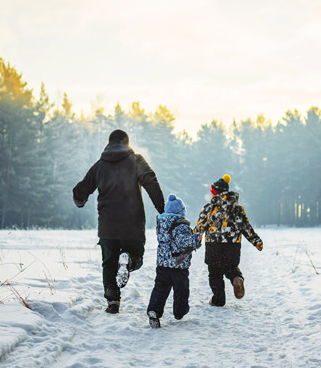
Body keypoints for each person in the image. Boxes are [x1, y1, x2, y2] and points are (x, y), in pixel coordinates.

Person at [73, 129, 165, 314]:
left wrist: (80, 201)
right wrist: (163, 210)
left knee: (109, 262)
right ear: (127, 143)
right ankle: (129, 261)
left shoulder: (99, 166)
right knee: (136, 258)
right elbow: (151, 182)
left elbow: (80, 190)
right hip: (132, 225)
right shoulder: (136, 160)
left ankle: (113, 301)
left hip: (108, 226)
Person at [193, 174, 264, 307]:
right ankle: (236, 279)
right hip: (232, 247)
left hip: (213, 247)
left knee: (215, 274)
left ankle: (218, 299)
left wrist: (192, 241)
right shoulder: (238, 209)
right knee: (231, 268)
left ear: (216, 193)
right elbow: (246, 227)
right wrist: (256, 241)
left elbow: (199, 227)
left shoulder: (209, 208)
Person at [147, 194, 202, 328]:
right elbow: (184, 243)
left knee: (160, 289)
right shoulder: (181, 225)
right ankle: (180, 312)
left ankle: (154, 310)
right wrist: (196, 239)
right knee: (181, 290)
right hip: (179, 265)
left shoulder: (162, 223)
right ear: (180, 211)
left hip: (163, 264)